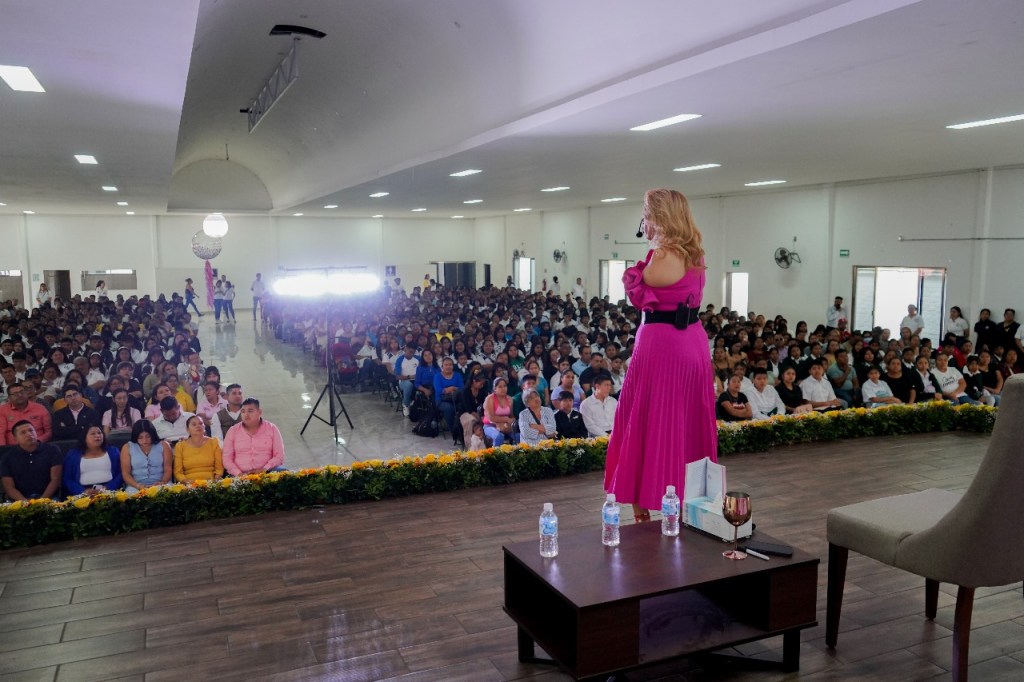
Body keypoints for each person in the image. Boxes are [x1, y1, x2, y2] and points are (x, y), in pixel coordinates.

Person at [605, 189, 718, 524]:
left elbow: (638, 286)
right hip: (691, 342)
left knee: (649, 415)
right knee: (685, 419)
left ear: (659, 215)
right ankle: (687, 494)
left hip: (663, 346)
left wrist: (650, 247)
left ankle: (647, 498)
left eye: (646, 213)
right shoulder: (695, 253)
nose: (644, 219)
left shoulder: (665, 255)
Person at [222, 398, 286, 476]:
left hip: (267, 472)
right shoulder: (233, 431)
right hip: (240, 475)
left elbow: (279, 455)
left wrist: (264, 469)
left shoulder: (272, 428)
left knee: (283, 471)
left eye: (250, 411)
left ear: (259, 412)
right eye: (243, 411)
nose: (246, 414)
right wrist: (238, 473)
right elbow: (227, 459)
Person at [0, 421, 63, 500]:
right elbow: (9, 487)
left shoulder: (52, 450)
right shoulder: (7, 458)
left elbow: (55, 479)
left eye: (31, 430)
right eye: (23, 432)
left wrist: (41, 501)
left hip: (49, 497)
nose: (29, 434)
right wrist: (26, 503)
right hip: (20, 499)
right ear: (15, 439)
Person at [62, 425, 123, 495]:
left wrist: (107, 488)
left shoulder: (113, 451)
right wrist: (83, 491)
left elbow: (121, 474)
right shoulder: (73, 454)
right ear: (84, 438)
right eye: (93, 433)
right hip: (82, 492)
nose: (97, 436)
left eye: (99, 433)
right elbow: (67, 479)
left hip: (109, 490)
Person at [120, 419, 172, 492]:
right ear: (135, 436)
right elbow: (126, 473)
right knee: (131, 495)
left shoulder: (164, 445)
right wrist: (137, 485)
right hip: (135, 485)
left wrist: (162, 482)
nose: (144, 440)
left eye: (148, 436)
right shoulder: (127, 447)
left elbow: (168, 469)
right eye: (140, 437)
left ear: (152, 434)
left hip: (162, 483)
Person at [174, 415, 224, 482]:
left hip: (211, 482)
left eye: (200, 423)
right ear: (187, 430)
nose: (198, 426)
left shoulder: (213, 442)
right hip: (189, 485)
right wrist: (186, 482)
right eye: (194, 424)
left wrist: (215, 480)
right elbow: (178, 472)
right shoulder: (180, 446)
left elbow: (219, 469)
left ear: (204, 427)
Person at [433, 357, 464, 439]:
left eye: (450, 365)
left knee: (462, 406)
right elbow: (438, 390)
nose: (448, 366)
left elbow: (462, 388)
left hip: (456, 398)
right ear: (442, 366)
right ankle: (453, 430)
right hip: (441, 399)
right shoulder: (437, 376)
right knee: (449, 408)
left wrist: (453, 388)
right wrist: (448, 390)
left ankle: (461, 428)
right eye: (446, 365)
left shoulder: (457, 375)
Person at [482, 377, 516, 446]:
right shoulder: (489, 399)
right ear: (494, 389)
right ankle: (496, 456)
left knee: (519, 436)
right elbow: (491, 417)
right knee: (499, 437)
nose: (503, 388)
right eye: (500, 387)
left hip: (505, 426)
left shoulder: (509, 399)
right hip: (490, 425)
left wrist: (512, 420)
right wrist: (506, 419)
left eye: (505, 386)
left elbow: (511, 416)